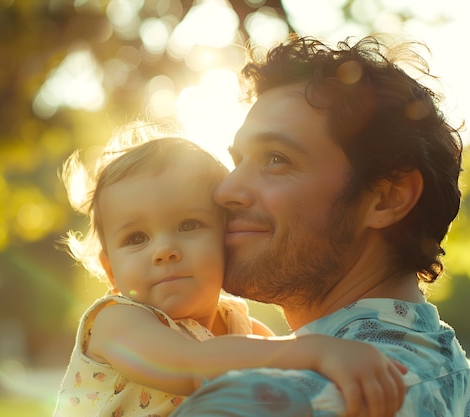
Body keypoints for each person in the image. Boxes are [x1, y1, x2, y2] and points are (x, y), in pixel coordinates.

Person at [169, 35, 470, 417]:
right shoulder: (450, 371)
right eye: (237, 161)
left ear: (387, 197)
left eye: (276, 158)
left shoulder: (261, 402)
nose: (226, 190)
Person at [52, 125, 406, 417]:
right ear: (110, 270)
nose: (164, 251)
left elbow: (280, 367)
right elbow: (191, 365)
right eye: (136, 237)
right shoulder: (115, 322)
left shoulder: (241, 327)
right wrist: (320, 350)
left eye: (189, 225)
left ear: (228, 239)